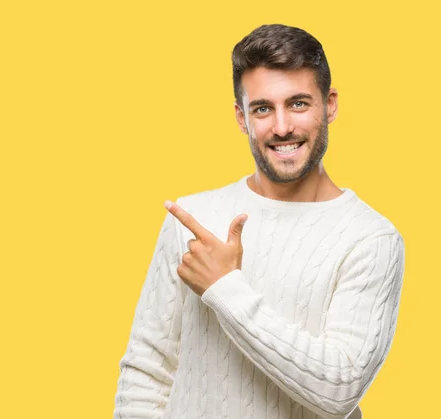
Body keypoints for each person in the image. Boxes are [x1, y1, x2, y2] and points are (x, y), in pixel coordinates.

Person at [113, 23, 404, 419]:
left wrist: (225, 288)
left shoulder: (371, 238)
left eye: (299, 103)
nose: (282, 127)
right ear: (241, 117)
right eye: (263, 108)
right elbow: (147, 371)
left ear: (330, 104)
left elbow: (340, 390)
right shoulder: (193, 219)